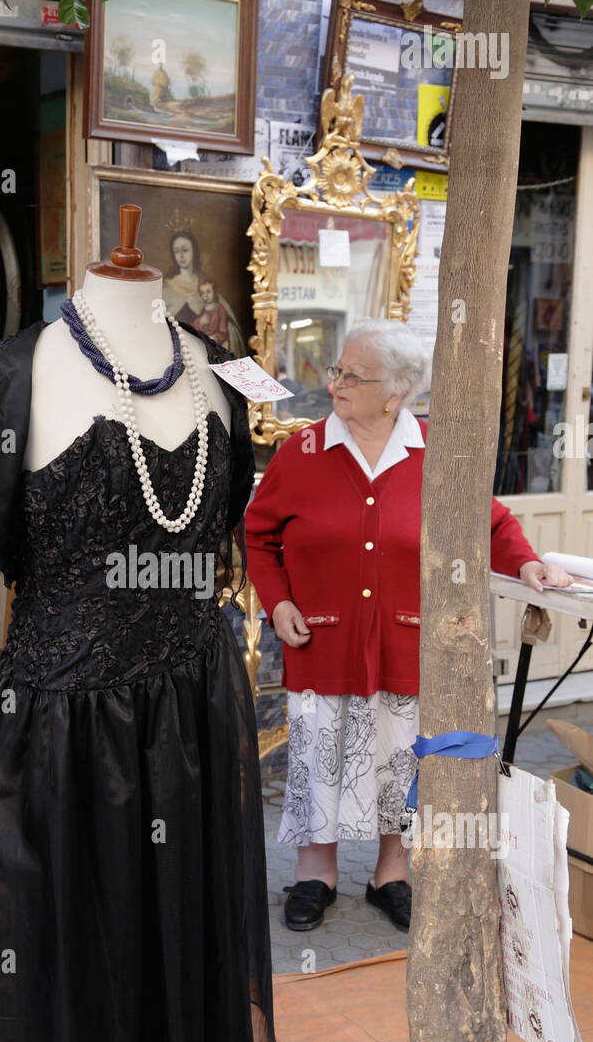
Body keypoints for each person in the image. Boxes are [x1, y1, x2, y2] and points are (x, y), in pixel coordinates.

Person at [245, 318, 573, 933]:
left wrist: (527, 561)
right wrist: (278, 600)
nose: (335, 382)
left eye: (352, 375)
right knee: (322, 755)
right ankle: (315, 875)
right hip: (320, 638)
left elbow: (491, 523)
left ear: (395, 393)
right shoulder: (304, 452)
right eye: (336, 370)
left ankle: (389, 875)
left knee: (398, 757)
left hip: (405, 638)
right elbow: (259, 535)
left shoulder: (435, 455)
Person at [163, 229, 246, 357]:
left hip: (207, 356)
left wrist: (220, 330)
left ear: (194, 252)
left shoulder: (206, 286)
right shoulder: (167, 289)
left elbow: (230, 325)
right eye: (176, 251)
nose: (181, 256)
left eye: (185, 250)